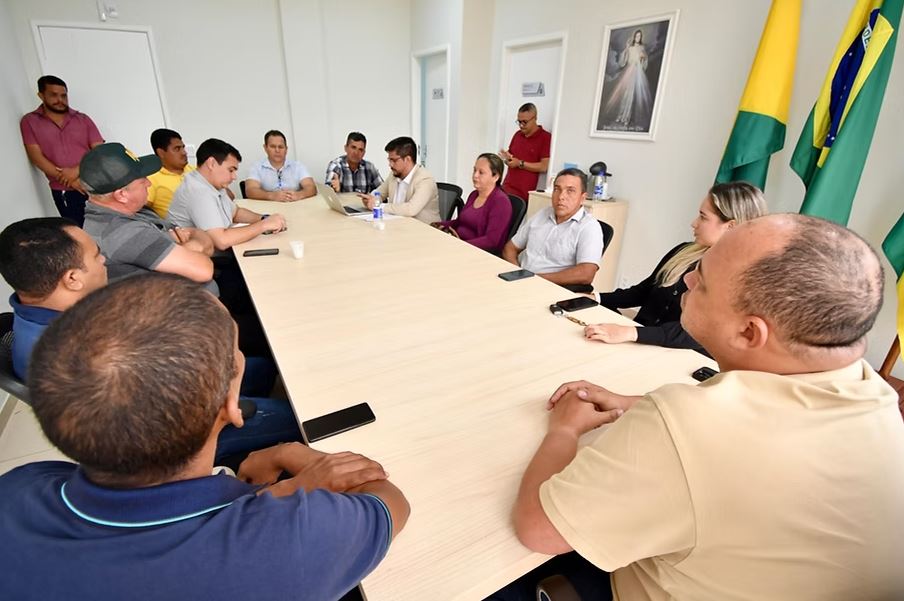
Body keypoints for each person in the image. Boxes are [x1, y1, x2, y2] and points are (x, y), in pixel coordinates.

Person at [500, 214, 904, 600]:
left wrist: (564, 430)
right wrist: (629, 402)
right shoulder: (877, 396)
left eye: (704, 281)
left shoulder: (685, 423)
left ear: (749, 331)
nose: (688, 278)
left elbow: (538, 529)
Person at [0, 273, 409, 600]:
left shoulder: (19, 488)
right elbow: (390, 502)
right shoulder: (287, 545)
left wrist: (279, 492)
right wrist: (294, 455)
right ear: (232, 404)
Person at [584, 181, 767, 352]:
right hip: (640, 343)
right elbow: (643, 292)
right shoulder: (683, 251)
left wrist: (630, 333)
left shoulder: (741, 279)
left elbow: (696, 332)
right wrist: (596, 297)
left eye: (703, 217)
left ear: (730, 226)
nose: (694, 223)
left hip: (678, 355)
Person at [80, 142, 215, 288]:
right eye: (143, 181)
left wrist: (189, 243)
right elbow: (203, 269)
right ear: (122, 195)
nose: (149, 184)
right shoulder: (122, 232)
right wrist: (197, 239)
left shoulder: (134, 212)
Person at [0, 218, 107, 379]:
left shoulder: (29, 313)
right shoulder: (86, 357)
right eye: (96, 256)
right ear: (72, 279)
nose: (103, 260)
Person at [168, 138, 287, 251]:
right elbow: (221, 241)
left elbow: (235, 213)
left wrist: (264, 218)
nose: (234, 177)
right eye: (231, 170)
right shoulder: (197, 191)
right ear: (211, 163)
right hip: (206, 261)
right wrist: (263, 225)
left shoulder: (211, 183)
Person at [19, 75, 104, 227]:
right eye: (54, 95)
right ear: (41, 95)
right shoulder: (29, 122)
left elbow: (99, 149)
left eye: (63, 95)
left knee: (107, 230)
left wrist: (76, 171)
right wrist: (71, 181)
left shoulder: (83, 119)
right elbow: (37, 157)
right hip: (64, 191)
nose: (60, 100)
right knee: (79, 232)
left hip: (95, 185)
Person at [502, 168, 603, 287]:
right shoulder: (542, 214)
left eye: (570, 191)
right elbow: (510, 248)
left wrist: (535, 279)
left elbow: (586, 273)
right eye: (557, 189)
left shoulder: (589, 227)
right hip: (519, 279)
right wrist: (517, 273)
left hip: (548, 287)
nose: (561, 196)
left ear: (583, 197)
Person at [431, 153, 512, 254]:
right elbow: (460, 222)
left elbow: (491, 241)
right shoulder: (474, 195)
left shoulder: (501, 202)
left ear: (495, 177)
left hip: (477, 254)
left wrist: (461, 244)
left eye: (481, 172)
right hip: (458, 246)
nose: (475, 175)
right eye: (474, 170)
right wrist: (437, 225)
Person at [359, 136, 440, 224]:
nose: (390, 164)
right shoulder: (394, 174)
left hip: (424, 231)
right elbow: (380, 193)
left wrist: (378, 206)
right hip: (398, 226)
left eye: (393, 160)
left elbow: (410, 209)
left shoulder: (425, 179)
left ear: (407, 159)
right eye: (389, 160)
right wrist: (371, 198)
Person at [499, 102, 551, 202]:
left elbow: (544, 166)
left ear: (535, 118)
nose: (521, 125)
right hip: (506, 188)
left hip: (522, 194)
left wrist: (520, 163)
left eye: (525, 122)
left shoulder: (545, 137)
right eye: (519, 122)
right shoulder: (517, 135)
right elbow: (512, 158)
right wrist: (507, 159)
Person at [244, 130, 316, 201]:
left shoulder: (298, 166)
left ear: (286, 149)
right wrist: (271, 196)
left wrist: (299, 195)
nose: (277, 150)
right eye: (273, 146)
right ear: (265, 148)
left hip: (294, 206)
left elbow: (311, 187)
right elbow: (250, 190)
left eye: (281, 147)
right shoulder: (256, 167)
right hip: (268, 208)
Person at [604, 29, 652, 128]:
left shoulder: (642, 48)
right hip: (628, 72)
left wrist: (643, 58)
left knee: (632, 96)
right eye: (636, 36)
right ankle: (621, 116)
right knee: (624, 95)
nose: (638, 38)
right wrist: (626, 49)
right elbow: (623, 62)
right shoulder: (630, 48)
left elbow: (644, 63)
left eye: (639, 36)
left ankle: (627, 118)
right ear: (634, 37)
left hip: (637, 72)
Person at [146, 128, 196, 218]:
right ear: (161, 153)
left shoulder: (196, 170)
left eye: (183, 147)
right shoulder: (151, 180)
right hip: (182, 228)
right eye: (177, 149)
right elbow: (139, 212)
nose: (184, 153)